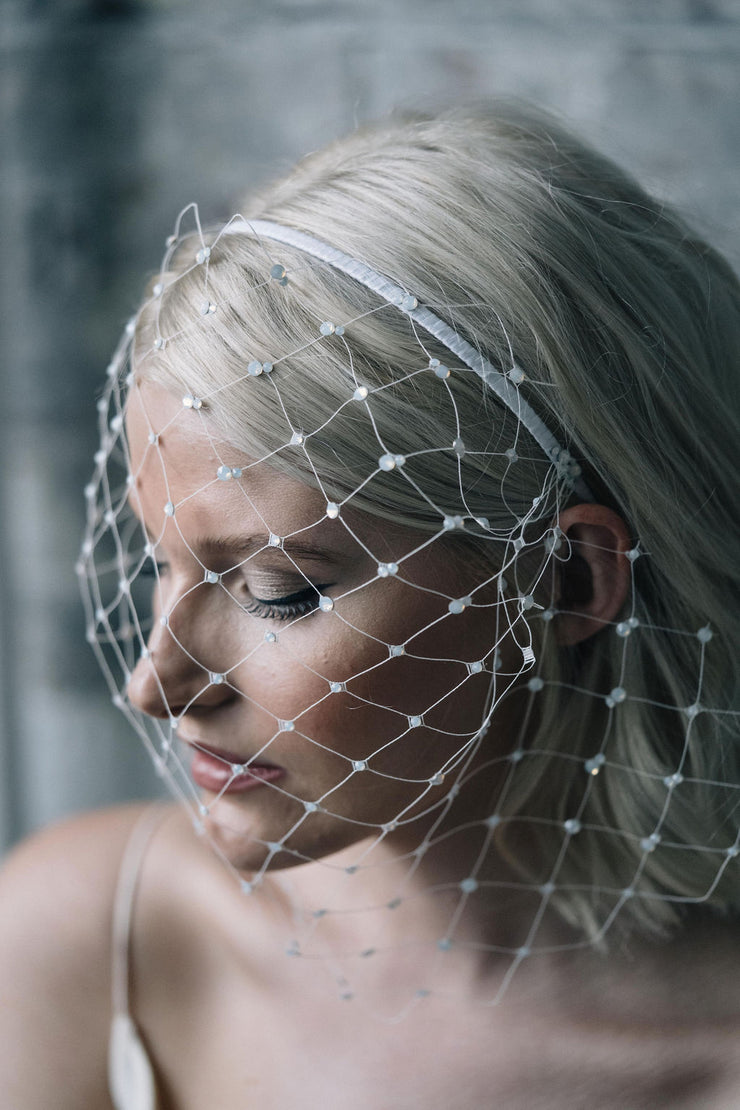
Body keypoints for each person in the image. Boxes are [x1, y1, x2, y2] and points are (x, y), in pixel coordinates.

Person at [1, 102, 739, 1109]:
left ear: (565, 579)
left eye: (278, 592)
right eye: (157, 562)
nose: (156, 684)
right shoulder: (90, 937)